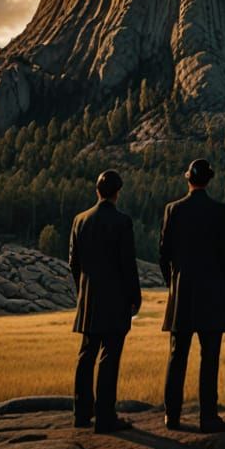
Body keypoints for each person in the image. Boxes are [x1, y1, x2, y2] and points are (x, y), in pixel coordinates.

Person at [159, 158, 225, 433]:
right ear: (209, 180)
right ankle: (208, 417)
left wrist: (173, 283)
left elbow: (163, 253)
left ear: (188, 179)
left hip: (181, 292)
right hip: (213, 292)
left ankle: (172, 415)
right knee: (210, 356)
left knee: (177, 354)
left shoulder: (173, 210)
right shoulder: (220, 211)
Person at [69, 168, 142, 433]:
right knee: (109, 357)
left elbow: (73, 262)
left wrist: (83, 288)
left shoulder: (80, 220)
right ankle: (105, 417)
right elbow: (127, 264)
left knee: (86, 354)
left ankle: (80, 413)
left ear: (97, 191)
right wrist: (135, 297)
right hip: (115, 299)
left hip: (88, 298)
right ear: (117, 193)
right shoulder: (122, 221)